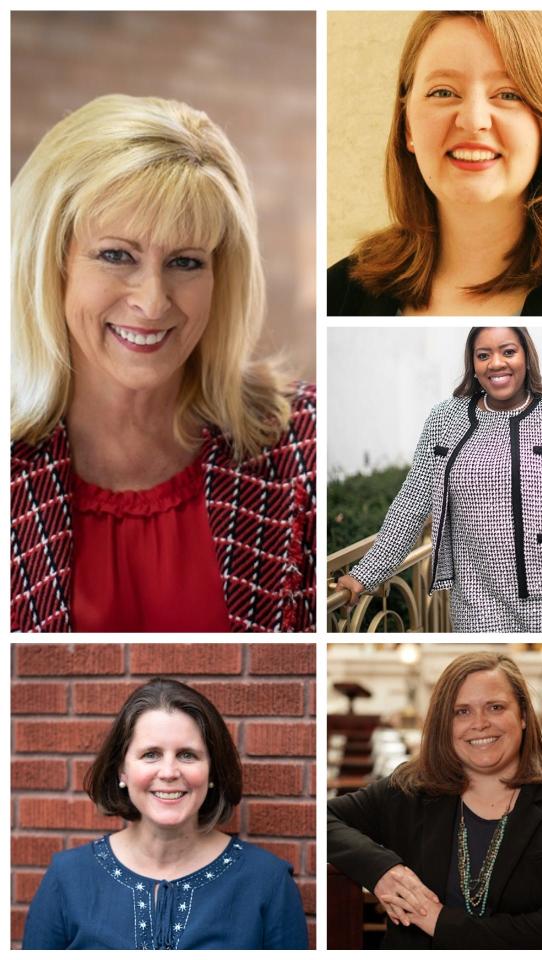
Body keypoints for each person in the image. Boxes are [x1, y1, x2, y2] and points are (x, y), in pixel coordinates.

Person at [11, 94, 316, 632]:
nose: (153, 302)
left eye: (185, 262)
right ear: (48, 261)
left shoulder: (307, 442)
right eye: (116, 255)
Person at [328, 11, 542, 316]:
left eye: (509, 94)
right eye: (443, 92)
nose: (473, 121)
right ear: (408, 127)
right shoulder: (339, 293)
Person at [335, 327, 542, 632]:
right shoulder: (444, 419)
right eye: (483, 355)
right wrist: (364, 574)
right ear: (473, 365)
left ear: (527, 357)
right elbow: (411, 503)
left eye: (508, 351)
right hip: (476, 604)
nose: (496, 363)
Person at [328, 652, 542, 948]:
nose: (480, 723)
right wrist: (381, 870)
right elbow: (322, 818)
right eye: (462, 712)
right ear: (444, 724)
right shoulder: (409, 793)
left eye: (495, 707)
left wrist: (439, 922)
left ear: (523, 716)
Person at [22, 678, 308, 949]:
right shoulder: (68, 878)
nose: (169, 772)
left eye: (187, 755)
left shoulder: (267, 882)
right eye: (151, 754)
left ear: (211, 772)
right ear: (122, 770)